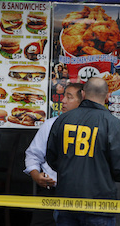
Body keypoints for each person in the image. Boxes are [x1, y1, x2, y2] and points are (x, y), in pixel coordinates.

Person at [46, 77, 120, 226]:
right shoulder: (113, 124)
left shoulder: (63, 120)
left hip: (66, 202)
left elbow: (51, 157)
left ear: (83, 94)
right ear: (108, 96)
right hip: (99, 205)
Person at [24, 83, 84, 226]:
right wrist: (36, 176)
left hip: (82, 195)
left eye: (69, 97)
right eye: (64, 97)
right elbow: (33, 155)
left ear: (82, 101)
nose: (63, 101)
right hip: (51, 193)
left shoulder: (92, 127)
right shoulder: (50, 125)